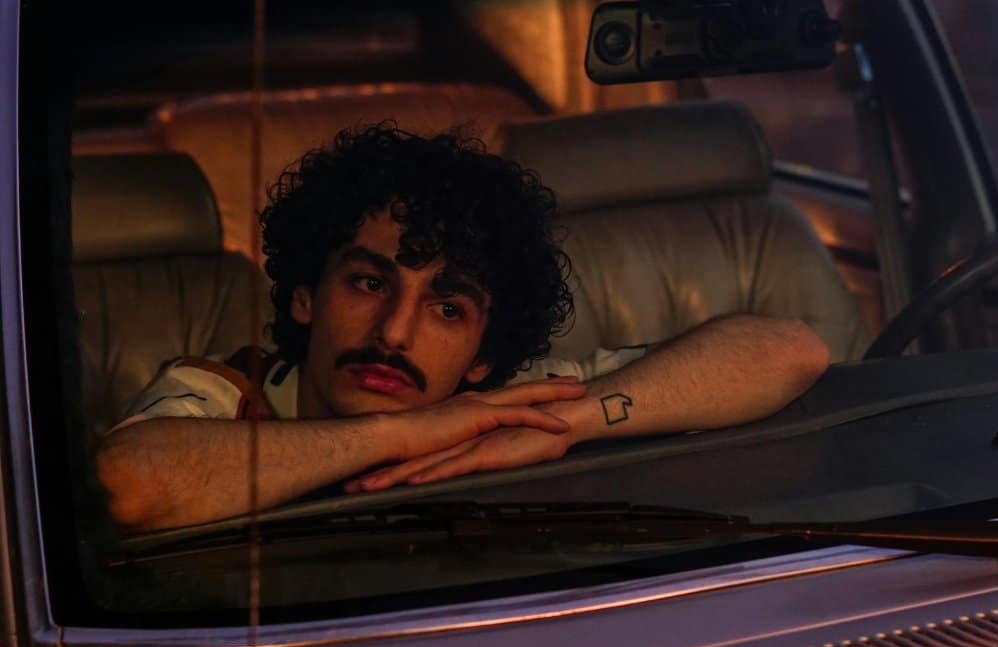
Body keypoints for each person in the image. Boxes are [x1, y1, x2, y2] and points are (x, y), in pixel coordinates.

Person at [96, 122, 830, 532]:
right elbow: (125, 484)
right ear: (303, 298)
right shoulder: (218, 392)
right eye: (368, 282)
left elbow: (790, 352)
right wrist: (408, 432)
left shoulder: (511, 402)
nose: (395, 332)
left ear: (483, 355)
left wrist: (572, 421)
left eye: (448, 308)